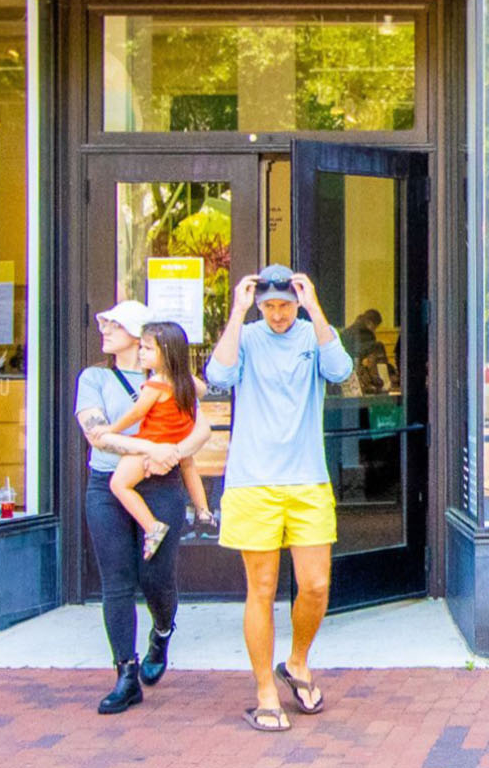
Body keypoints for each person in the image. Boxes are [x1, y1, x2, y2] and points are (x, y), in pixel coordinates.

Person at [207, 264, 354, 734]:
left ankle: (297, 662)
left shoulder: (312, 333)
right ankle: (265, 692)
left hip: (307, 478)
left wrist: (314, 307)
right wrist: (236, 310)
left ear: (297, 301)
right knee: (263, 588)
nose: (277, 315)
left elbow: (341, 369)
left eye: (284, 305)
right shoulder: (247, 336)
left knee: (314, 585)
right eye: (269, 306)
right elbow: (219, 374)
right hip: (253, 481)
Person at [74, 300, 193, 715]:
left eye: (114, 325)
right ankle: (126, 673)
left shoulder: (172, 380)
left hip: (163, 486)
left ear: (142, 337)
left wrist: (175, 451)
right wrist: (151, 448)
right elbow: (97, 435)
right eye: (104, 324)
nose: (104, 330)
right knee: (117, 581)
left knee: (156, 577)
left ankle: (162, 630)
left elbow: (202, 428)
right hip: (108, 487)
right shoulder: (94, 378)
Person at [96, 321, 217, 558]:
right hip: (177, 441)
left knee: (119, 484)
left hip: (153, 443)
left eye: (148, 349)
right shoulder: (184, 381)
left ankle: (151, 527)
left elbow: (136, 413)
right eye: (141, 347)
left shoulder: (155, 384)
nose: (141, 353)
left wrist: (112, 429)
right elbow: (201, 390)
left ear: (167, 353)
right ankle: (203, 511)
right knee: (189, 465)